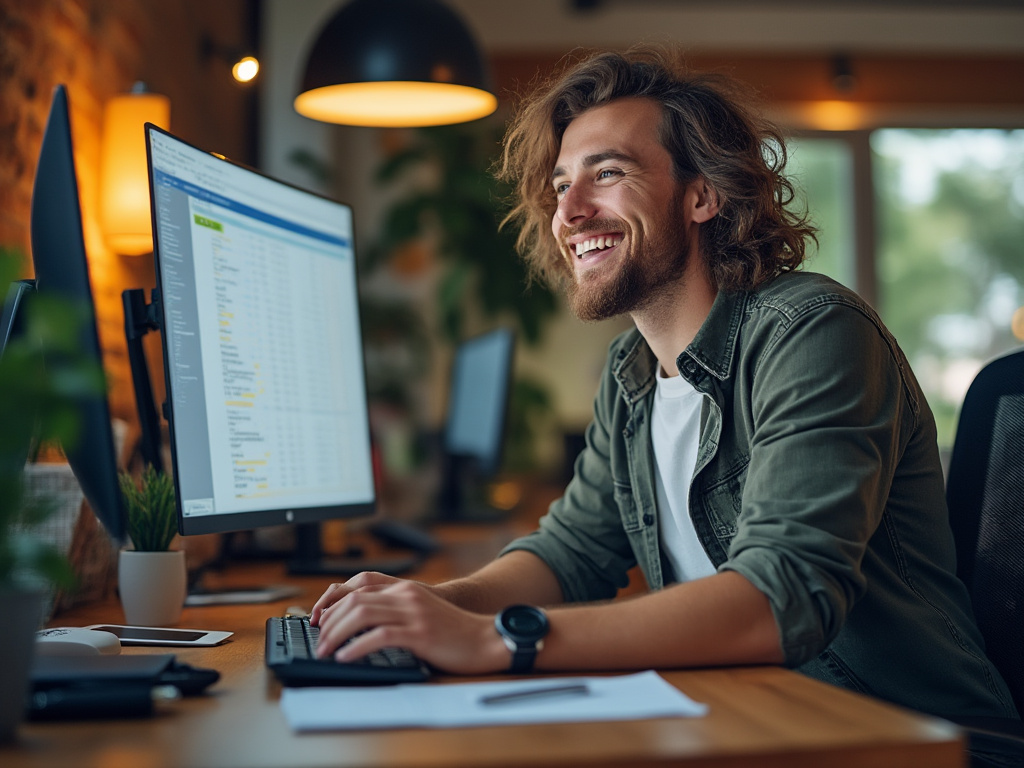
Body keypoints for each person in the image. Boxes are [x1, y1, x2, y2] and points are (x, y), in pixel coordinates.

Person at [311, 46, 1017, 725]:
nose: (570, 211)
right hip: (756, 719)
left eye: (607, 173)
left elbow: (783, 595)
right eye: (561, 185)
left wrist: (498, 639)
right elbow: (572, 553)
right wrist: (430, 604)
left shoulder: (811, 331)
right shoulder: (633, 376)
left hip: (907, 733)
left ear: (702, 195)